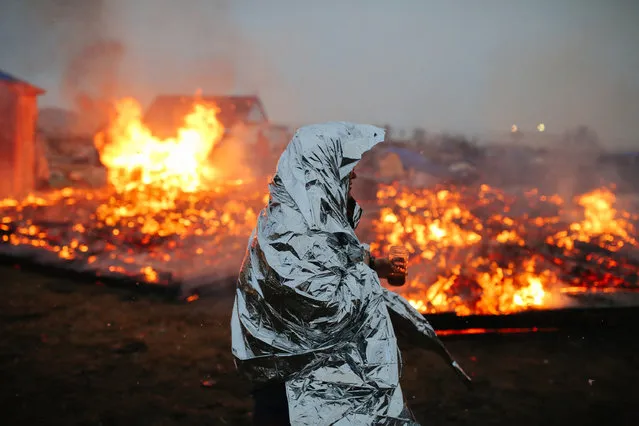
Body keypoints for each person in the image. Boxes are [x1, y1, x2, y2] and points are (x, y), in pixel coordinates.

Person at [231, 122, 471, 425]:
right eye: (344, 165)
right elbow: (319, 300)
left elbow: (331, 255)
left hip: (314, 376)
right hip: (295, 380)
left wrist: (374, 264)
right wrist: (369, 285)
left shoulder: (307, 214)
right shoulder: (290, 226)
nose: (355, 173)